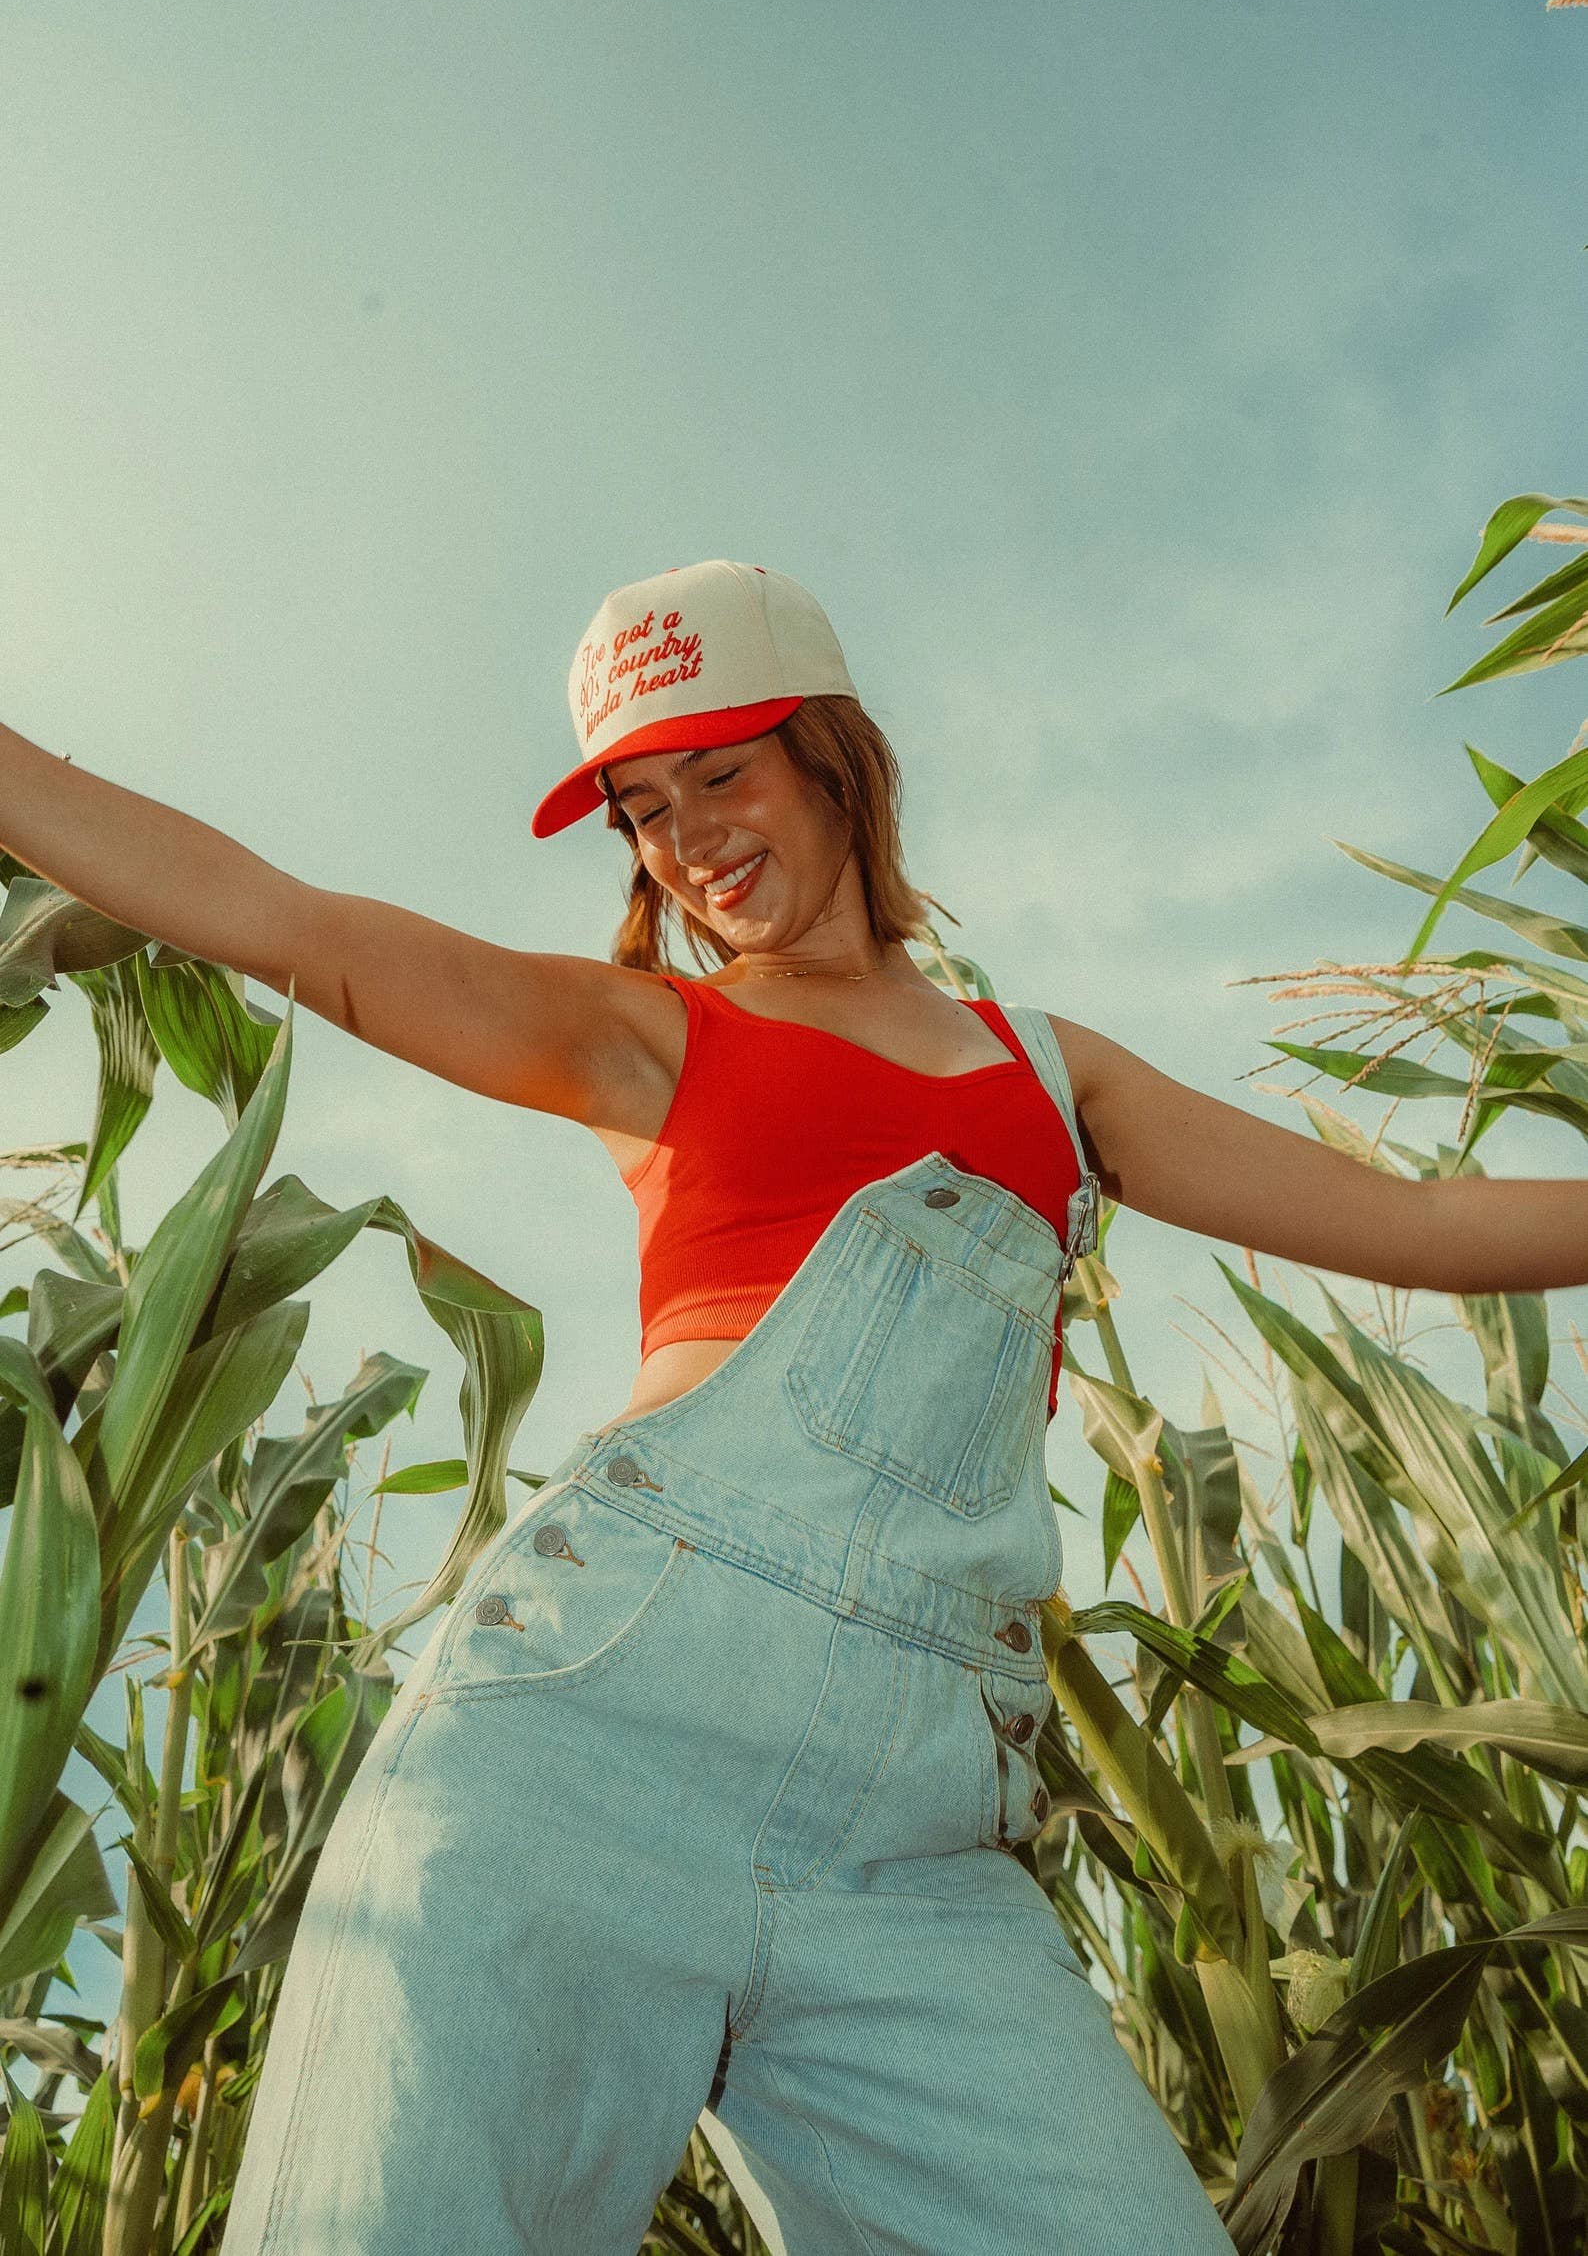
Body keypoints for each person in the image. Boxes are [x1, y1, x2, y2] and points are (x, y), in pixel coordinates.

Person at [6, 560, 1581, 2256]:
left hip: (917, 1828)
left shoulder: (1056, 1076)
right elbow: (280, 918)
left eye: (723, 770)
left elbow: (1419, 1226)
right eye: (641, 806)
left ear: (839, 757)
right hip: (591, 1728)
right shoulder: (646, 1039)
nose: (684, 837)